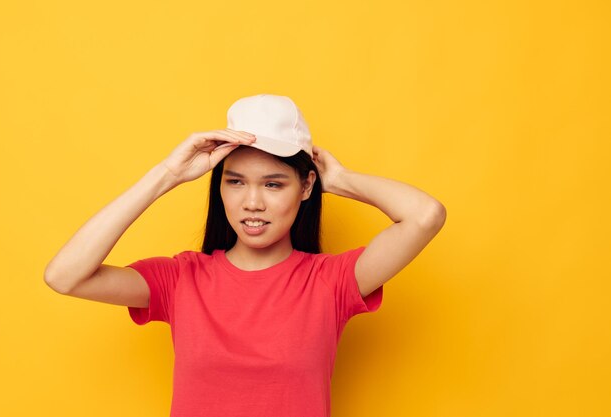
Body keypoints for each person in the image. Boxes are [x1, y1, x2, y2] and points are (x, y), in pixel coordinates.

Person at [44, 94, 447, 417]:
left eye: (273, 184)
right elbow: (65, 276)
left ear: (306, 187)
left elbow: (425, 216)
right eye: (235, 182)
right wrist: (167, 175)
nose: (252, 202)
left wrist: (341, 180)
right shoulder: (182, 279)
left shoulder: (332, 281)